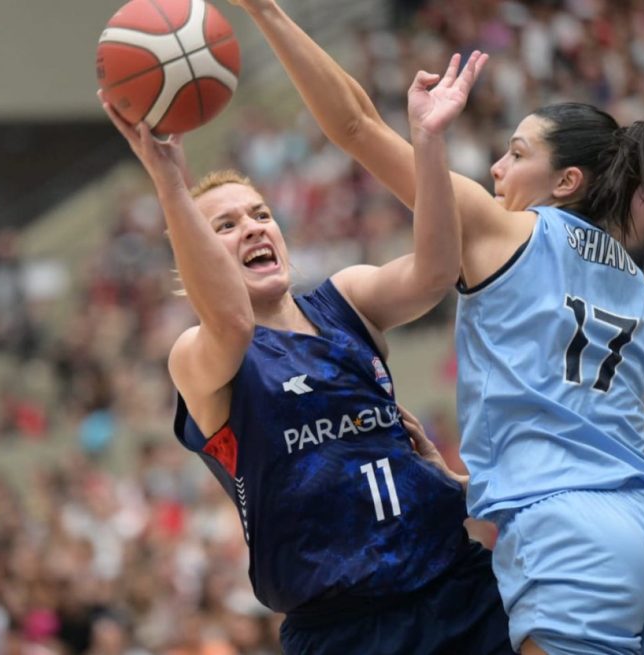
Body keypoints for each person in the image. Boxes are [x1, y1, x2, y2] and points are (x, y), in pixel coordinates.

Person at [229, 1, 644, 652]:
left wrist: (265, 10)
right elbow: (578, 439)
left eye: (516, 154)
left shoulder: (504, 228)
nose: (495, 168)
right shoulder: (636, 283)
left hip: (569, 538)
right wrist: (465, 485)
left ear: (565, 181)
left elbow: (354, 125)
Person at [99, 53, 513, 654]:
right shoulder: (197, 355)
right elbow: (232, 323)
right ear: (193, 265)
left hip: (457, 588)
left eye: (261, 214)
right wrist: (170, 185)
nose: (253, 227)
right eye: (225, 225)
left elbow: (435, 272)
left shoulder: (343, 300)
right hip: (341, 630)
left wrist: (427, 141)